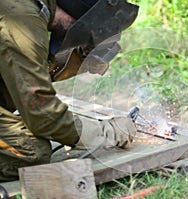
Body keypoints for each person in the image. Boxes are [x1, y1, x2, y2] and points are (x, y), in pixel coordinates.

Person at [0, 0, 136, 181]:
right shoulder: (21, 17)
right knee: (30, 150)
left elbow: (22, 86)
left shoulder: (31, 8)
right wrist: (105, 133)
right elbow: (40, 112)